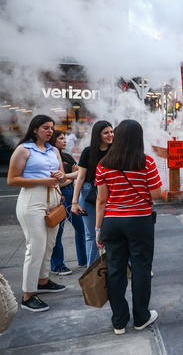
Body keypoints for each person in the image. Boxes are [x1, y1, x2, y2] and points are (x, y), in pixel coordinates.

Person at [95, 119, 162, 335]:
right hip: (139, 221)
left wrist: (98, 229)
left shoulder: (103, 164)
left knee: (115, 271)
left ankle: (119, 321)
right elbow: (156, 194)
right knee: (141, 268)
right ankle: (141, 316)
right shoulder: (147, 162)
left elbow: (101, 201)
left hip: (112, 222)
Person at [7, 114, 67, 312]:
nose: (50, 131)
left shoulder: (53, 150)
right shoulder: (23, 149)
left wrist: (61, 175)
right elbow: (12, 180)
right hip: (32, 200)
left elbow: (63, 178)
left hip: (53, 198)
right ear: (34, 129)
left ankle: (42, 281)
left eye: (51, 128)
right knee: (36, 247)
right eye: (45, 128)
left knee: (49, 244)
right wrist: (42, 180)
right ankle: (28, 295)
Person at [71, 121, 114, 266]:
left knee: (115, 234)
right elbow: (80, 177)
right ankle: (93, 271)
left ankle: (125, 267)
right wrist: (75, 202)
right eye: (106, 132)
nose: (110, 135)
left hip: (112, 193)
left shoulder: (115, 150)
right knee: (91, 234)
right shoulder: (88, 151)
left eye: (111, 131)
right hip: (90, 193)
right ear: (98, 135)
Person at [49, 130, 86, 275]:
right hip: (59, 196)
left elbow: (80, 172)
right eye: (61, 138)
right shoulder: (50, 158)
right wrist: (70, 178)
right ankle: (58, 266)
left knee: (81, 227)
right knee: (58, 232)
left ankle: (84, 260)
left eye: (65, 138)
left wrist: (67, 178)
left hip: (72, 195)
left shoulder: (67, 157)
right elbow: (59, 182)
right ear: (53, 140)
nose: (65, 141)